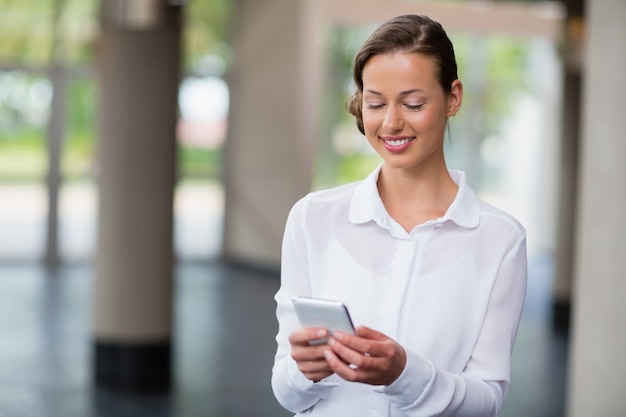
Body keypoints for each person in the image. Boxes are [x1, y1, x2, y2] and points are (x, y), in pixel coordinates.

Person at [271, 14, 527, 417]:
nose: (390, 123)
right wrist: (305, 371)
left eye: (413, 103)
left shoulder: (500, 239)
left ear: (453, 98)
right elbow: (286, 392)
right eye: (374, 103)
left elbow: (486, 400)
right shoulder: (312, 219)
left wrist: (404, 375)